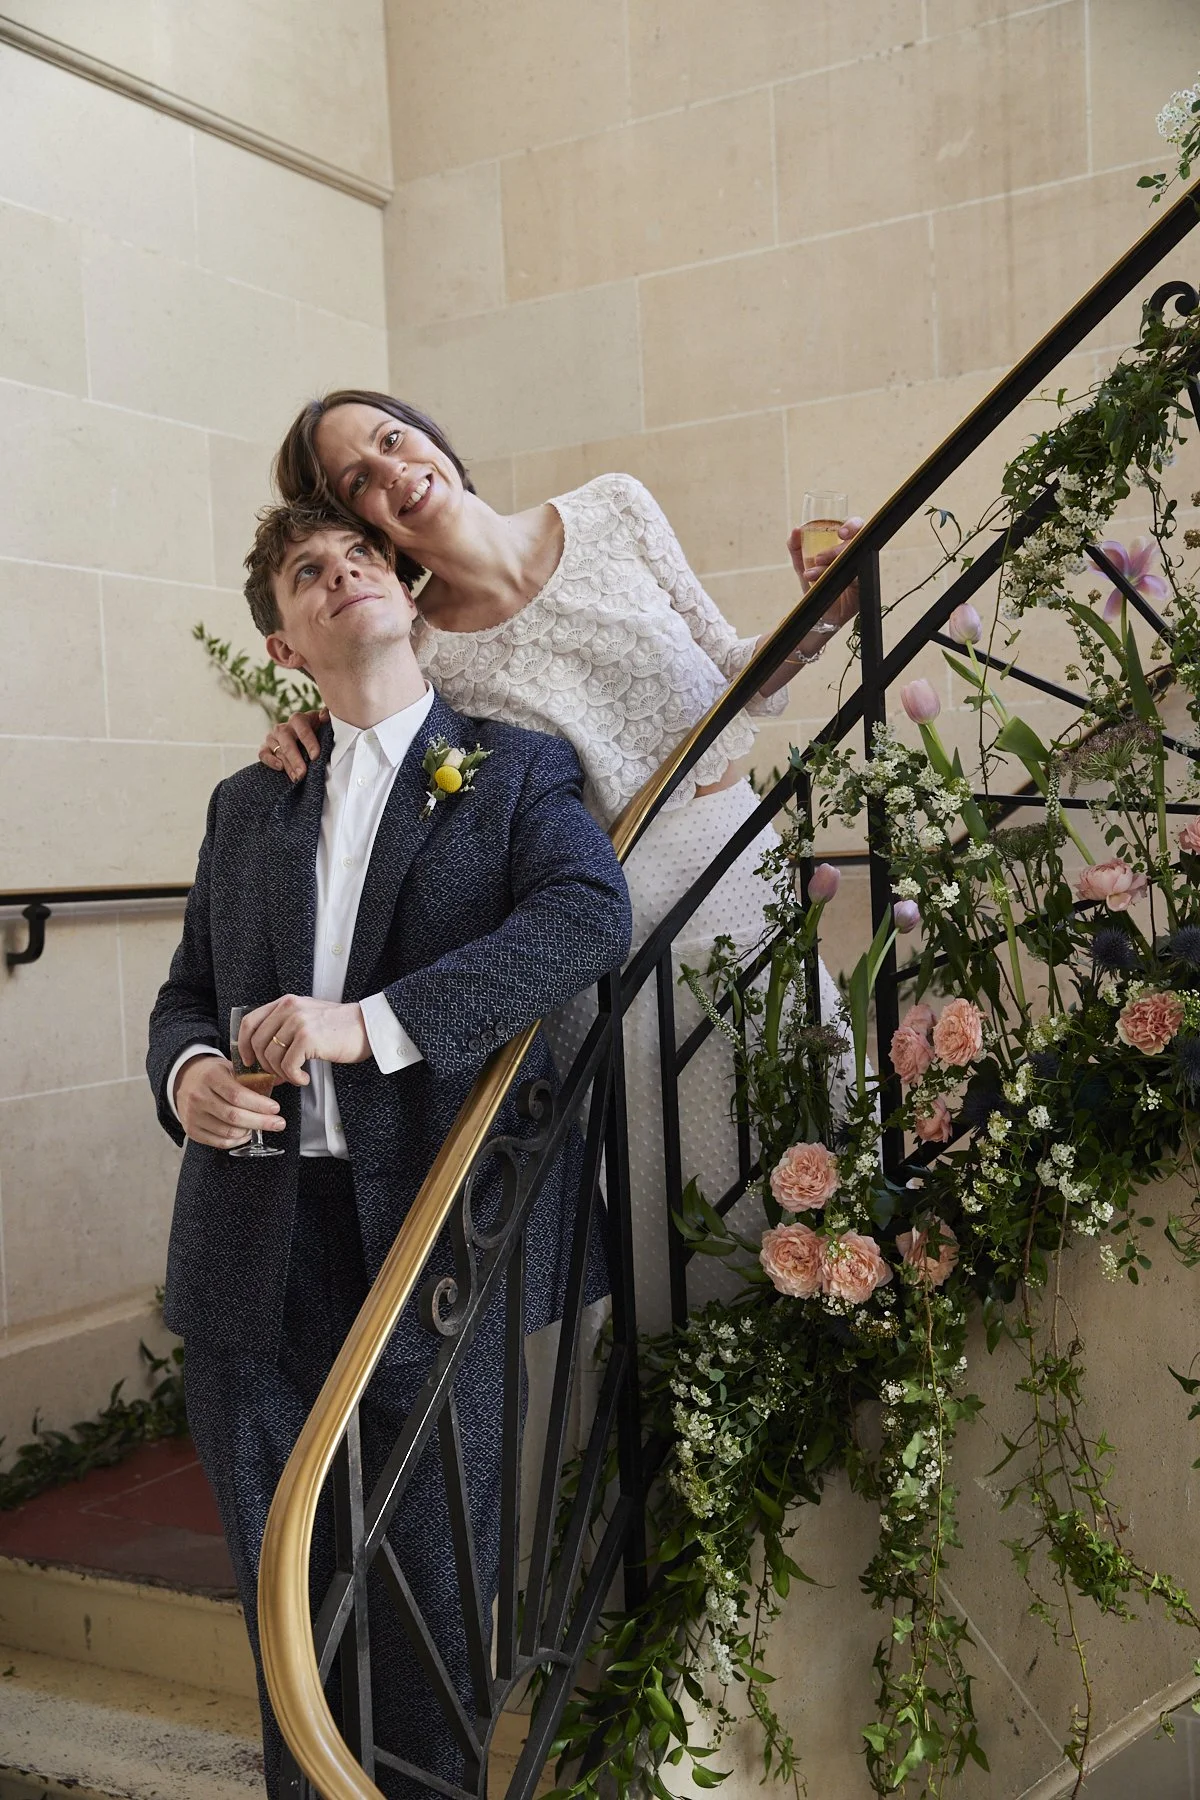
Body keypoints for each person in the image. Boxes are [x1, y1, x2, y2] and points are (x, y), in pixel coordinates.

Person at [146, 499, 632, 1799]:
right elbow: (185, 995)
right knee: (287, 1621)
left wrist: (370, 1026)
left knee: (425, 1599)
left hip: (430, 1241)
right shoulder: (246, 803)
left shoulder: (515, 770)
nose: (343, 575)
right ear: (286, 642)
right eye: (311, 572)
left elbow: (590, 918)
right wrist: (189, 1075)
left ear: (408, 600)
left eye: (362, 557)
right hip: (249, 1249)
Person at [261, 392, 861, 1325]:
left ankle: (857, 1351)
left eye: (391, 439)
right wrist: (305, 728)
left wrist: (826, 611)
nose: (394, 472)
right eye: (359, 482)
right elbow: (385, 736)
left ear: (432, 434)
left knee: (818, 1096)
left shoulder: (615, 507)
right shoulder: (418, 648)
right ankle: (713, 1414)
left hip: (736, 861)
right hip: (606, 921)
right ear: (359, 521)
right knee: (674, 1178)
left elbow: (730, 665)